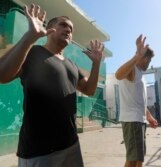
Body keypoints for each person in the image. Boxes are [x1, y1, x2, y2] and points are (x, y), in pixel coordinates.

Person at [0, 4, 104, 167]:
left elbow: (89, 90)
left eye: (71, 28)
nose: (68, 30)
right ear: (49, 28)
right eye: (63, 25)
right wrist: (29, 37)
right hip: (40, 151)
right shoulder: (32, 52)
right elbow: (2, 75)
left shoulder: (72, 65)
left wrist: (96, 64)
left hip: (72, 145)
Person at [115, 34, 158, 167]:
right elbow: (118, 75)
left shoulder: (141, 76)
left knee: (139, 157)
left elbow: (140, 102)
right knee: (133, 159)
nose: (149, 63)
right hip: (132, 120)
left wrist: (149, 117)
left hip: (139, 120)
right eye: (149, 60)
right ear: (144, 58)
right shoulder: (132, 70)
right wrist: (136, 56)